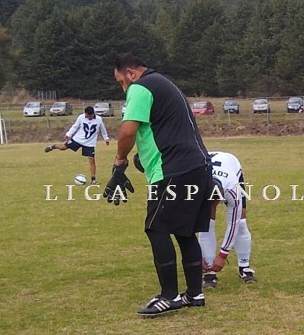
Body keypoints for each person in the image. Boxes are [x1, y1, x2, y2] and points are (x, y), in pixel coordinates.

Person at [107, 55, 214, 317]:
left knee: (156, 227)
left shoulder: (141, 87)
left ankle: (169, 296)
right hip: (199, 167)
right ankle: (194, 294)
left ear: (130, 73)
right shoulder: (165, 83)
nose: (123, 88)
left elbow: (128, 131)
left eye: (121, 82)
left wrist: (119, 162)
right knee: (185, 232)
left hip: (173, 171)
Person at [199, 150, 257, 288]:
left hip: (230, 165)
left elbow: (233, 225)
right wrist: (196, 255)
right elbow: (190, 226)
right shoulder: (194, 188)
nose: (214, 205)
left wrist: (222, 255)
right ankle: (209, 271)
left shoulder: (232, 190)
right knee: (206, 223)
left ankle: (244, 267)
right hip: (204, 169)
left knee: (241, 221)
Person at [44, 106, 110, 184]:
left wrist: (106, 138)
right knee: (63, 148)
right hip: (78, 139)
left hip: (89, 143)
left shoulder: (99, 119)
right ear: (85, 114)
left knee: (92, 160)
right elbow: (75, 127)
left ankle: (93, 180)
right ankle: (53, 146)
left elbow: (103, 129)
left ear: (93, 114)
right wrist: (68, 134)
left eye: (91, 116)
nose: (89, 117)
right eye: (88, 116)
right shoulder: (81, 117)